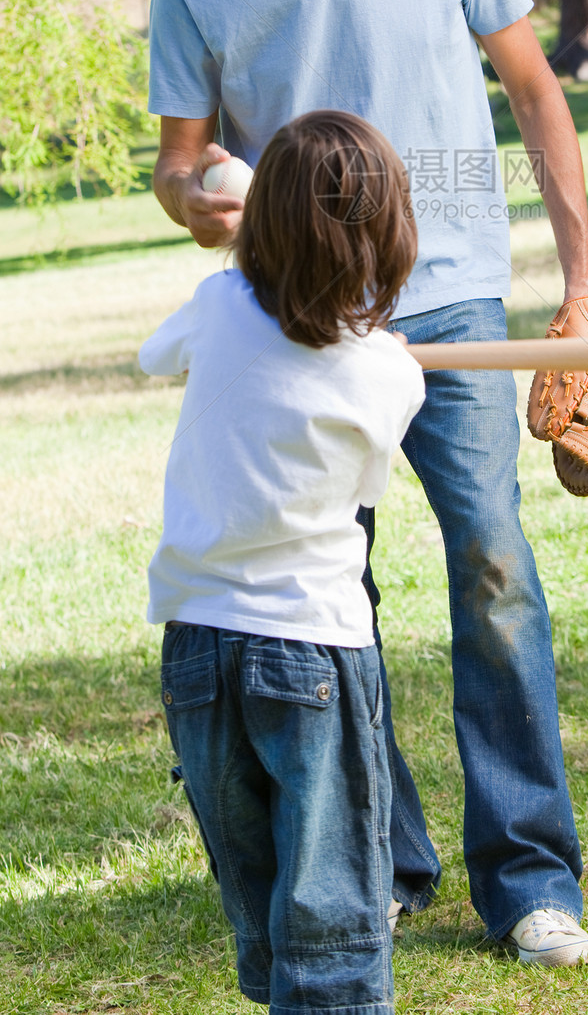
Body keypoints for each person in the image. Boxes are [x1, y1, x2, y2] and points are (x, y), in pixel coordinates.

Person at [149, 0, 588, 967]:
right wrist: (203, 197)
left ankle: (528, 879)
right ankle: (383, 862)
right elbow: (178, 170)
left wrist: (581, 284)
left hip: (454, 291)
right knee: (319, 604)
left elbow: (532, 89)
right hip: (301, 315)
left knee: (496, 572)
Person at [142, 111, 426, 1015]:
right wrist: (387, 358)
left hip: (196, 650)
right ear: (388, 236)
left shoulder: (216, 305)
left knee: (262, 891)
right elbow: (366, 487)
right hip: (308, 646)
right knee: (330, 898)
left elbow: (159, 358)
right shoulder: (387, 373)